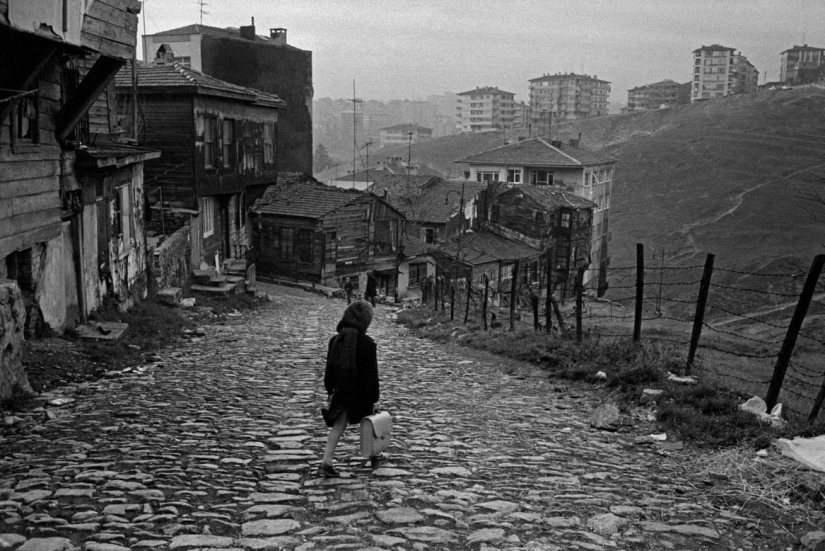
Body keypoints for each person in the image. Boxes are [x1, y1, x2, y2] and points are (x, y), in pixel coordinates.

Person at [319, 300, 379, 478]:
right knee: (372, 421)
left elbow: (329, 369)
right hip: (360, 395)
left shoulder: (335, 341)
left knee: (338, 427)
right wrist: (374, 398)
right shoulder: (367, 344)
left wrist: (331, 390)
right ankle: (376, 452)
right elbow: (371, 375)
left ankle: (326, 462)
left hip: (343, 392)